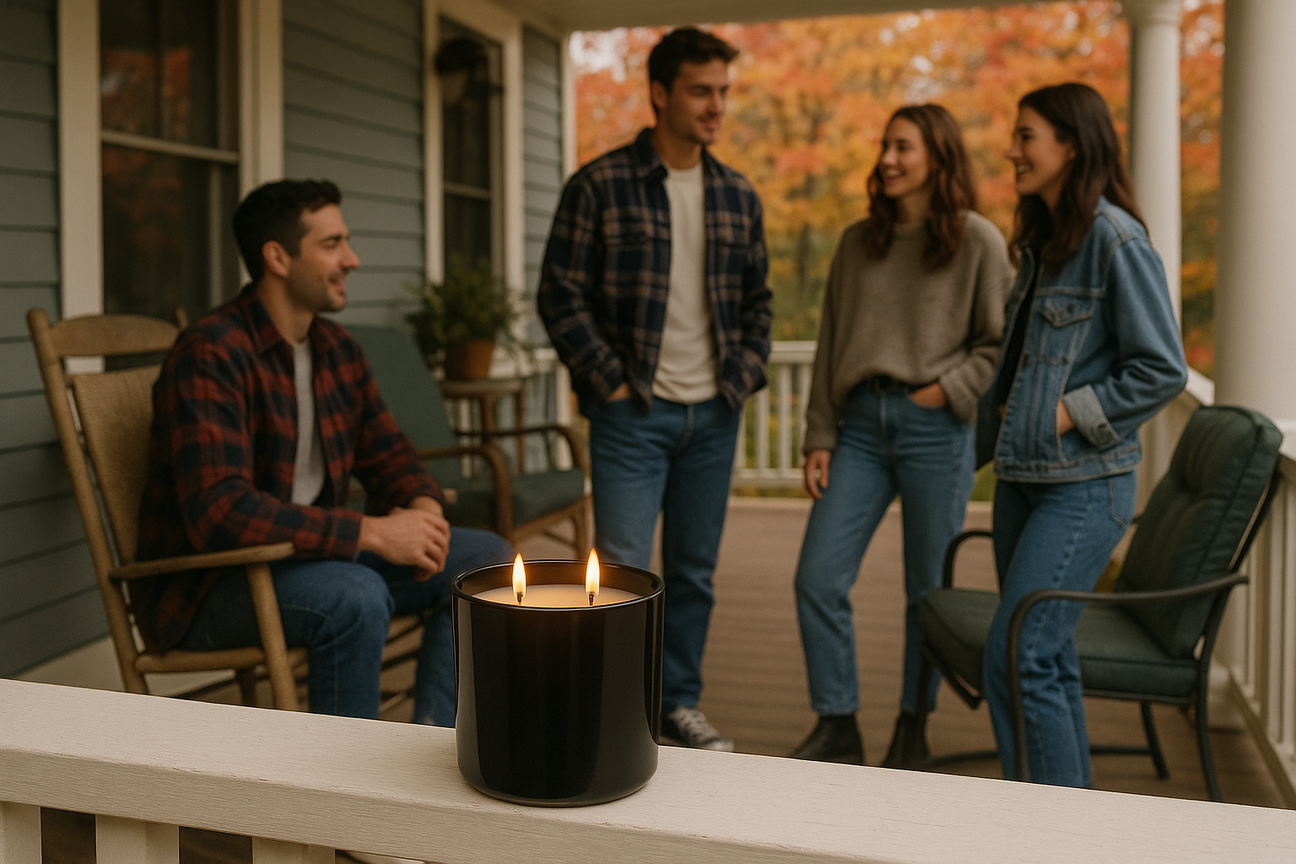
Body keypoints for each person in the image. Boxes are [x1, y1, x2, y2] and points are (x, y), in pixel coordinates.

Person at [133, 179, 513, 725]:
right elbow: (219, 511)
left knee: (482, 560)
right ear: (278, 257)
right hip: (213, 584)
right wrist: (371, 532)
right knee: (354, 596)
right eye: (332, 244)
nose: (352, 259)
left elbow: (391, 455)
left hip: (311, 555)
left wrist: (423, 510)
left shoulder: (336, 350)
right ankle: (342, 792)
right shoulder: (212, 353)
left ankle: (432, 741)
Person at [537, 27, 771, 751]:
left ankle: (678, 703)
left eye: (724, 92)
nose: (715, 106)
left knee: (695, 575)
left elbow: (759, 303)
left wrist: (742, 376)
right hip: (631, 417)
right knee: (621, 573)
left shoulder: (737, 194)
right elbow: (559, 294)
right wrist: (607, 381)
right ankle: (614, 710)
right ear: (661, 94)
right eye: (702, 91)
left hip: (714, 415)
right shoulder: (599, 185)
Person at [790, 105, 1012, 766]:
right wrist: (818, 435)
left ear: (938, 158)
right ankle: (838, 724)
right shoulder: (859, 242)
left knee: (927, 592)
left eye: (903, 147)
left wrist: (949, 390)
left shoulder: (978, 241)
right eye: (884, 145)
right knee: (816, 577)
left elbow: (999, 345)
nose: (886, 158)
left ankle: (914, 724)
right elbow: (831, 342)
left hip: (934, 429)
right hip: (858, 426)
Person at [978, 83, 1187, 786]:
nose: (1013, 150)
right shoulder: (1044, 242)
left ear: (1071, 144)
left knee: (1017, 654)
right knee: (1047, 658)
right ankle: (1072, 821)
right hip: (1023, 483)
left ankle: (1043, 836)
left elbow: (1162, 367)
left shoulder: (1114, 238)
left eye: (1026, 135)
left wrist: (1069, 413)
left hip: (1083, 489)